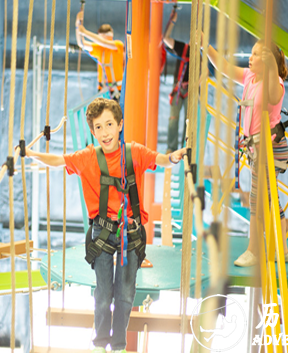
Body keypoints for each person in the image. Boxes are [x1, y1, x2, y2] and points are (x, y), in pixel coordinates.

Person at [26, 98, 186, 353]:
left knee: (125, 295)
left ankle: (118, 345)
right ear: (93, 131)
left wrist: (173, 158)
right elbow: (58, 161)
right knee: (103, 295)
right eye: (98, 127)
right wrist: (32, 154)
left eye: (109, 124)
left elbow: (160, 159)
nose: (105, 132)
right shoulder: (88, 157)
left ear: (120, 125)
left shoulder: (134, 153)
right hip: (102, 233)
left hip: (131, 234)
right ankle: (100, 343)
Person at [205, 39, 288, 267]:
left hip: (270, 149)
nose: (250, 58)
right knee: (270, 200)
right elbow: (223, 66)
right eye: (251, 53)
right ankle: (282, 250)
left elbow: (274, 97)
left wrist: (272, 65)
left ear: (268, 61)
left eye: (255, 54)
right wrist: (206, 46)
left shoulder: (275, 82)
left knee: (256, 199)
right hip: (257, 149)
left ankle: (254, 250)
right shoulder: (250, 77)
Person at [75, 10, 124, 100]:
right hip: (103, 90)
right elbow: (81, 43)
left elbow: (103, 42)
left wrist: (85, 32)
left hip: (117, 90)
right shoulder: (99, 48)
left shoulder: (118, 45)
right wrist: (78, 24)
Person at [163, 10, 190, 154]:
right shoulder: (183, 48)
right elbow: (166, 38)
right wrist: (172, 22)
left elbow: (204, 73)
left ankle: (186, 146)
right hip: (178, 88)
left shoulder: (201, 55)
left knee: (189, 120)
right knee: (173, 118)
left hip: (191, 91)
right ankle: (171, 147)